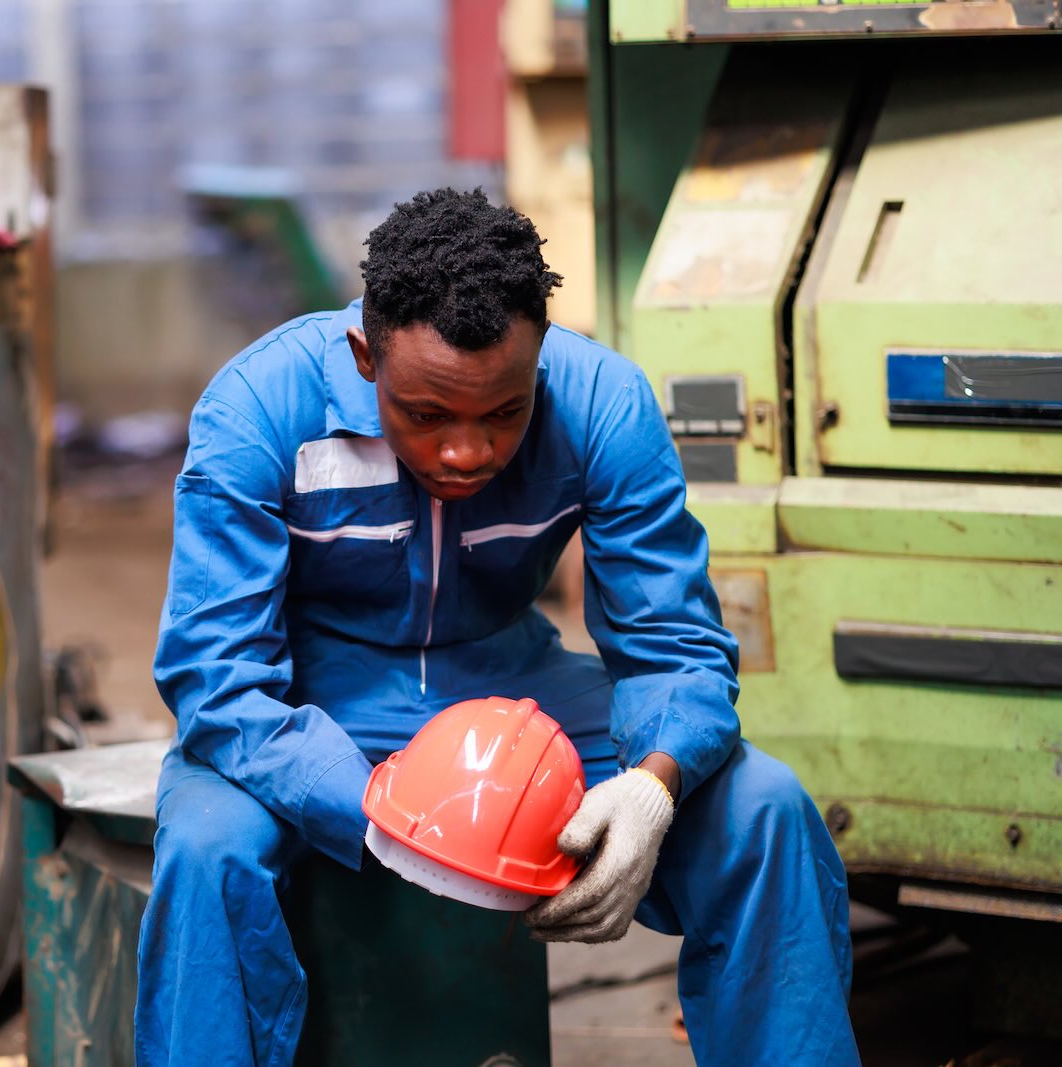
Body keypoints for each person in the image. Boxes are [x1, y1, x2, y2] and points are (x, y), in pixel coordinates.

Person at [138, 188, 858, 1066]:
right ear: (366, 357)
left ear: (541, 360)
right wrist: (382, 809)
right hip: (309, 706)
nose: (467, 452)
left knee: (763, 809)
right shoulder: (258, 409)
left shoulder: (602, 406)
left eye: (504, 413)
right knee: (208, 850)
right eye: (428, 414)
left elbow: (675, 647)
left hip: (517, 693)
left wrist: (652, 789)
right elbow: (216, 679)